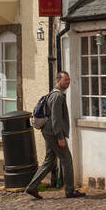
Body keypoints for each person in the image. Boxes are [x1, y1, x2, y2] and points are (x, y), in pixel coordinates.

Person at [25, 71, 84, 200]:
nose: (67, 82)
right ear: (58, 80)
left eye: (68, 80)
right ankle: (70, 191)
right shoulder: (57, 96)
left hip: (48, 131)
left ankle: (32, 187)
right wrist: (60, 137)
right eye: (65, 80)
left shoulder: (54, 94)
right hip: (53, 133)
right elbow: (56, 118)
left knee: (49, 161)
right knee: (66, 159)